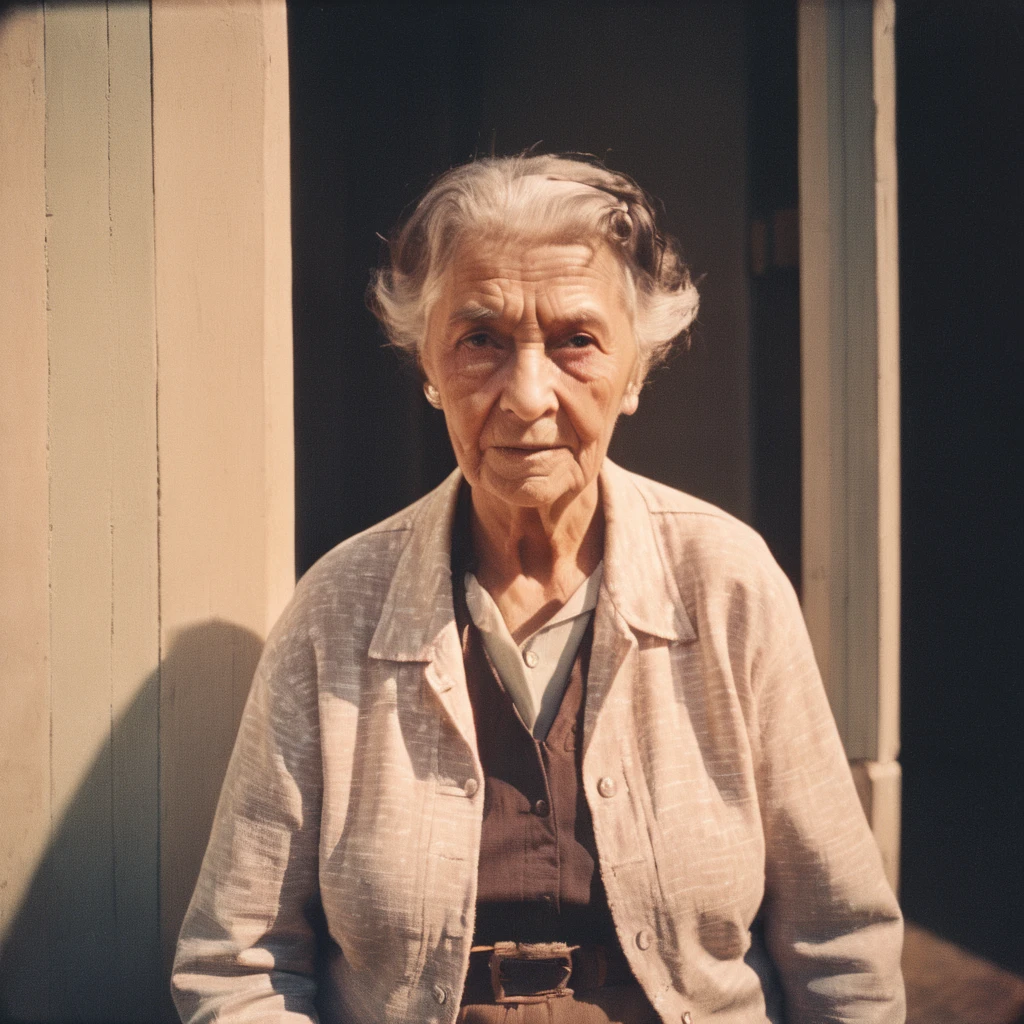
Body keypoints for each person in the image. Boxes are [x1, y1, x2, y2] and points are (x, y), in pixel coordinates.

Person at [172, 154, 905, 1023]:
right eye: (480, 340)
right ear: (428, 367)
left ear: (636, 370)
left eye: (576, 342)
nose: (527, 395)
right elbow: (239, 961)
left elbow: (841, 948)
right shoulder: (340, 607)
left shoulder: (727, 582)